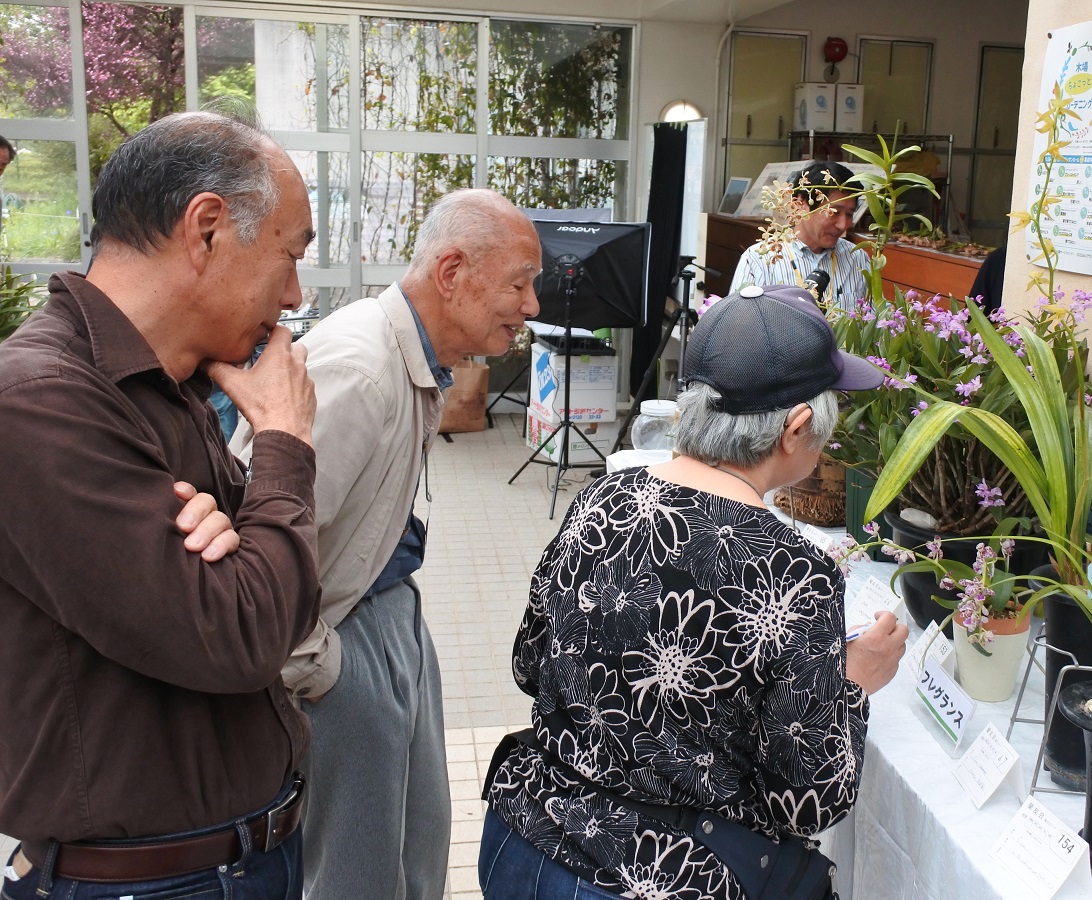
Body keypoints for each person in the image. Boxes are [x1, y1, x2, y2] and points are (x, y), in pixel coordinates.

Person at [481, 283, 910, 900]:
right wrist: (851, 685)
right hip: (660, 877)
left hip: (524, 842)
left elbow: (530, 664)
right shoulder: (793, 569)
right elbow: (810, 800)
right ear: (796, 427)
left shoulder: (604, 499)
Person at [0, 111, 322, 899]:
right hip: (146, 881)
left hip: (234, 857)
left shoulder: (171, 383)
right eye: (288, 256)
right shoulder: (39, 399)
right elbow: (244, 631)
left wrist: (244, 555)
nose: (293, 294)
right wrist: (283, 442)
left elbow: (280, 605)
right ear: (207, 229)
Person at [232, 187, 543, 899]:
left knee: (414, 848)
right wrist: (322, 670)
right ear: (452, 272)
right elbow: (260, 553)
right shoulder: (360, 370)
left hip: (383, 615)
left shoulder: (408, 356)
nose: (530, 307)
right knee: (356, 872)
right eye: (519, 284)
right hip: (338, 646)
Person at [730, 160, 869, 311]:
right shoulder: (759, 260)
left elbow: (872, 320)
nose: (843, 225)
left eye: (849, 214)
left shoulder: (857, 258)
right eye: (834, 212)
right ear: (801, 203)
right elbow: (738, 323)